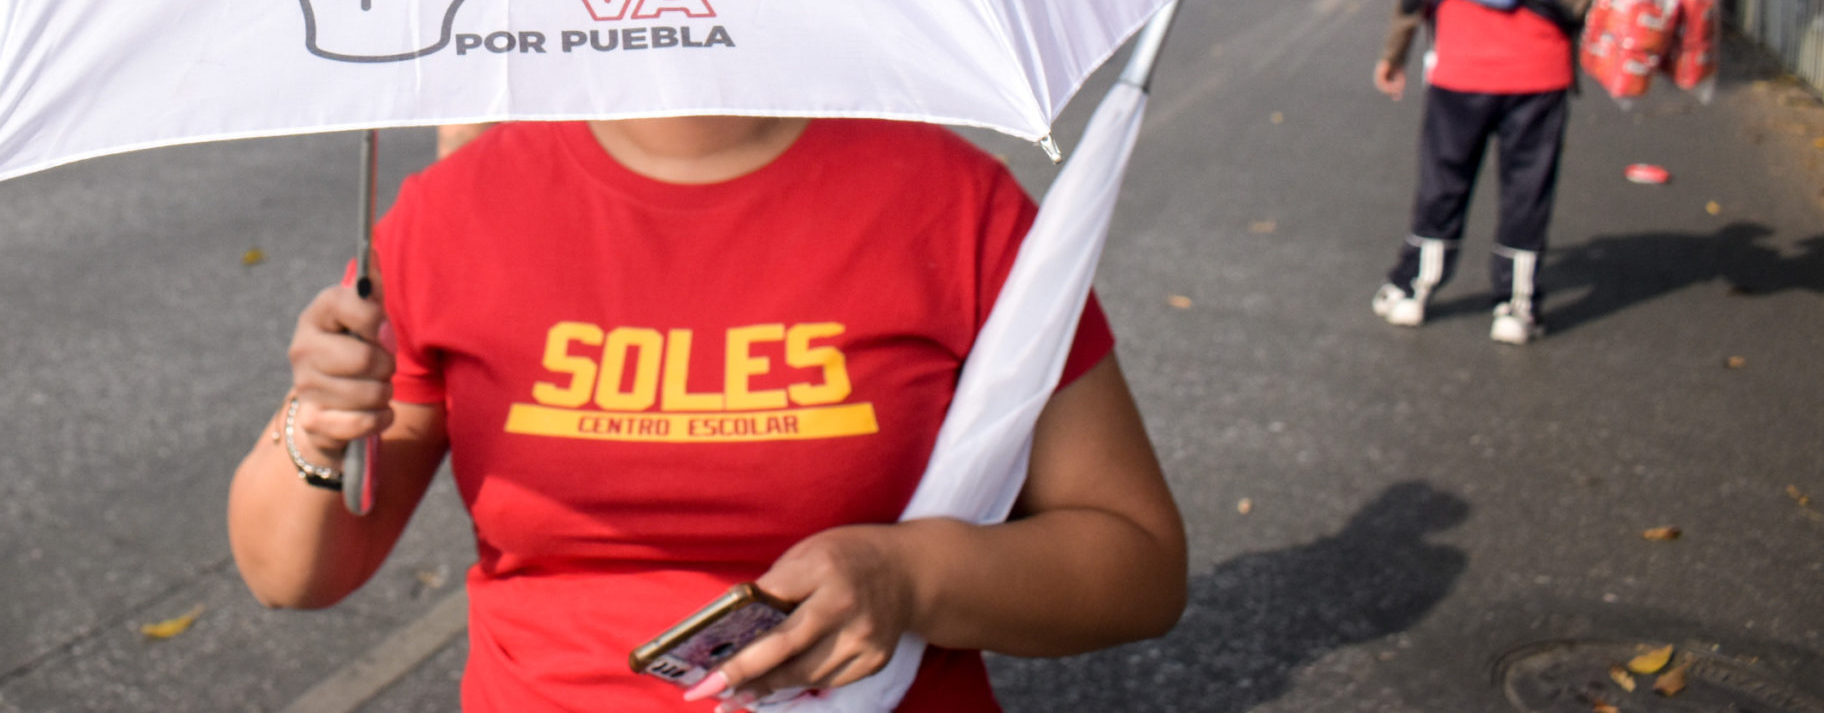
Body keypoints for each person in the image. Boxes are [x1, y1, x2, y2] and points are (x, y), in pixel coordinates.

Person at [229, 116, 1187, 711]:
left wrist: (911, 575)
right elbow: (291, 574)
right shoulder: (451, 212)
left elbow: (1136, 562)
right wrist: (317, 425)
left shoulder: (954, 201)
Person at [1369, 0, 1595, 345]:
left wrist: (1393, 57)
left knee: (1444, 181)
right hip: (1538, 75)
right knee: (1526, 189)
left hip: (1460, 70)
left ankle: (1412, 291)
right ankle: (1515, 307)